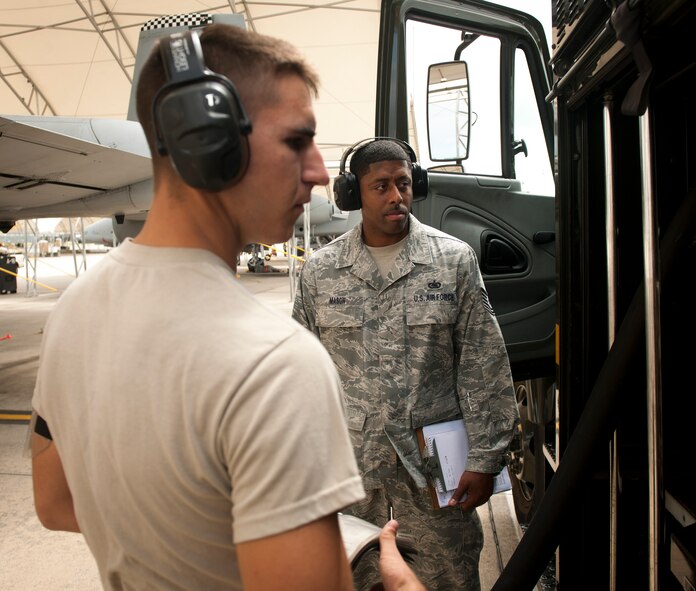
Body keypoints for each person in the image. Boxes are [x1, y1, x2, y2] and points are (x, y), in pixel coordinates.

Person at [29, 24, 388, 590]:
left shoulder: (72, 312)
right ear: (207, 138)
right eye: (297, 142)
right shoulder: (276, 364)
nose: (320, 172)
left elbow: (54, 503)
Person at [293, 138, 518, 590]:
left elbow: (482, 362)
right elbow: (299, 372)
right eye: (381, 186)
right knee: (351, 579)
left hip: (435, 473)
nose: (396, 196)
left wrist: (485, 458)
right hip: (352, 472)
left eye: (404, 183)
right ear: (354, 194)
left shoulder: (452, 260)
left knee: (448, 580)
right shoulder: (322, 271)